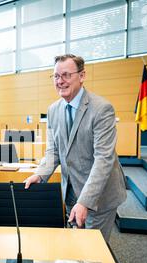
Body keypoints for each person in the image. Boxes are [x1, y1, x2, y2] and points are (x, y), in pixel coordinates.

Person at [24, 54, 126, 241]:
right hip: (70, 192)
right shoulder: (53, 110)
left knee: (94, 252)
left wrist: (85, 201)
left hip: (99, 196)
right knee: (75, 247)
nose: (60, 81)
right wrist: (40, 174)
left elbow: (104, 159)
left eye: (66, 75)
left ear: (82, 75)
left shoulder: (102, 109)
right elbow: (53, 150)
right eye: (56, 76)